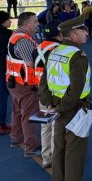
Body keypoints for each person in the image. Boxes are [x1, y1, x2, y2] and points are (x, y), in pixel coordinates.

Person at [38, 16, 92, 181]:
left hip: (56, 108)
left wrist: (50, 105)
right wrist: (62, 108)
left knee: (59, 149)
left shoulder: (55, 52)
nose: (86, 33)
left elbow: (43, 82)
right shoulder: (78, 56)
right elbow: (76, 89)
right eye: (83, 30)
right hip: (74, 109)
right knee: (74, 152)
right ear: (73, 34)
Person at [6, 12, 41, 157]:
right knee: (29, 115)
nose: (37, 24)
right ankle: (31, 146)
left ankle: (16, 138)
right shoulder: (24, 40)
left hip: (14, 81)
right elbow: (30, 63)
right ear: (26, 24)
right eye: (35, 22)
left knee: (18, 111)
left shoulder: (15, 36)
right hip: (24, 84)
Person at [33, 24, 63, 169]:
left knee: (45, 125)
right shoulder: (58, 49)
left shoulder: (38, 47)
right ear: (59, 34)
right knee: (56, 126)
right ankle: (56, 158)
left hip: (41, 90)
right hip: (55, 91)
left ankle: (46, 157)